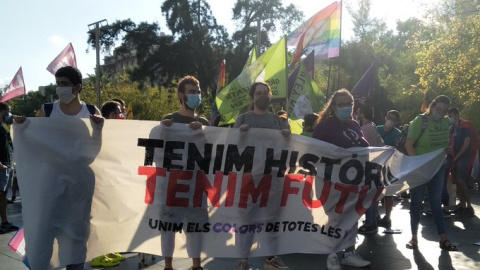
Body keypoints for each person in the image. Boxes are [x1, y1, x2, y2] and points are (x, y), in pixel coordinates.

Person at [33, 66, 104, 269]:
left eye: (64, 84)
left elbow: (94, 152)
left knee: (76, 234)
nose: (60, 88)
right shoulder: (47, 111)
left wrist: (98, 130)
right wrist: (23, 128)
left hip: (79, 183)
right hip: (51, 181)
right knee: (45, 231)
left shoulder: (91, 112)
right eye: (58, 84)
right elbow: (36, 145)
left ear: (77, 87)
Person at [233, 82, 290, 270]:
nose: (263, 96)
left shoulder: (278, 121)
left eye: (266, 93)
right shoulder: (242, 119)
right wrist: (239, 135)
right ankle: (243, 259)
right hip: (248, 178)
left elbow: (287, 147)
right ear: (252, 97)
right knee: (246, 220)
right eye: (259, 93)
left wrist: (288, 135)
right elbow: (229, 146)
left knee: (271, 218)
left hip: (272, 178)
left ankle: (271, 257)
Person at [312, 89, 371, 269]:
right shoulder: (325, 126)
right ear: (333, 106)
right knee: (334, 218)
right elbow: (315, 150)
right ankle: (332, 255)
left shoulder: (354, 124)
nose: (346, 107)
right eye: (342, 104)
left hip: (353, 181)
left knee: (352, 218)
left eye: (349, 104)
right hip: (332, 181)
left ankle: (349, 253)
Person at [160, 75, 208, 270]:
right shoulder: (169, 120)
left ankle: (197, 266)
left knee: (195, 226)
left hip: (197, 181)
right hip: (173, 181)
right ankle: (168, 266)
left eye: (198, 92)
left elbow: (211, 150)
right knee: (169, 226)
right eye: (191, 92)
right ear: (181, 95)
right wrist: (165, 130)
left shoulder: (203, 121)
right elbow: (157, 148)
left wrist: (203, 130)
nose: (196, 95)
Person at [405, 95, 457, 251]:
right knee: (416, 202)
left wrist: (446, 149)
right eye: (438, 109)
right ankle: (414, 238)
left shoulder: (446, 122)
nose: (440, 113)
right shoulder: (420, 121)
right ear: (432, 106)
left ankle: (443, 237)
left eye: (444, 111)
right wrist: (418, 165)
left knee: (436, 201)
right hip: (420, 168)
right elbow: (409, 145)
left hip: (438, 167)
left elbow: (444, 142)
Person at [356, 105, 384, 234]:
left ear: (361, 113)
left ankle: (370, 223)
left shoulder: (364, 128)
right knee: (372, 193)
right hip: (376, 163)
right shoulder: (372, 125)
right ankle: (373, 219)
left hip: (368, 164)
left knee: (368, 195)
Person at [376, 110, 401, 228]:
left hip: (389, 167)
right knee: (374, 191)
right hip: (376, 165)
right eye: (389, 117)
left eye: (393, 119)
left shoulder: (398, 134)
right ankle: (374, 215)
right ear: (385, 117)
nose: (390, 120)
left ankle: (387, 217)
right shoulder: (377, 129)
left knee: (388, 193)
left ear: (396, 122)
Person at [448, 107, 475, 216]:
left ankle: (469, 206)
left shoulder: (465, 127)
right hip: (454, 157)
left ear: (457, 115)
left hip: (463, 157)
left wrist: (457, 157)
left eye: (453, 115)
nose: (451, 118)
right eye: (449, 116)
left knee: (461, 179)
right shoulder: (451, 128)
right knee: (455, 180)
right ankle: (462, 204)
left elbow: (466, 144)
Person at [0, 102, 19, 234]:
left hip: (7, 164)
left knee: (3, 195)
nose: (9, 114)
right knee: (1, 195)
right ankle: (4, 223)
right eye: (7, 111)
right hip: (2, 166)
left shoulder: (4, 126)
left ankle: (5, 222)